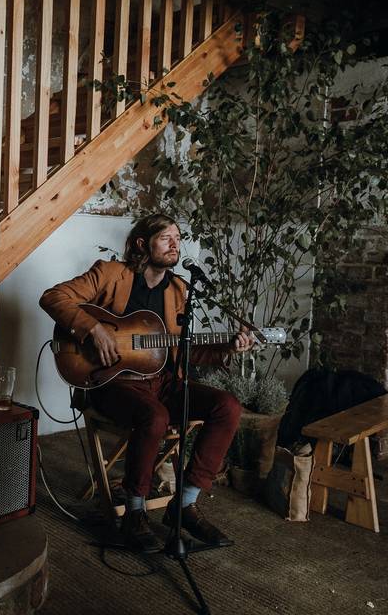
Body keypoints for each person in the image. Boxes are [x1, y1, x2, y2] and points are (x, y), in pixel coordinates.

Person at [40, 213, 254, 552]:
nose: (175, 244)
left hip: (163, 382)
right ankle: (135, 514)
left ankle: (183, 504)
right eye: (166, 237)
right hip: (113, 384)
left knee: (227, 406)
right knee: (155, 417)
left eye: (178, 238)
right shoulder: (110, 274)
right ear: (143, 243)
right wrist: (93, 329)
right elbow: (53, 297)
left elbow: (183, 353)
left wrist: (227, 347)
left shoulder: (179, 290)